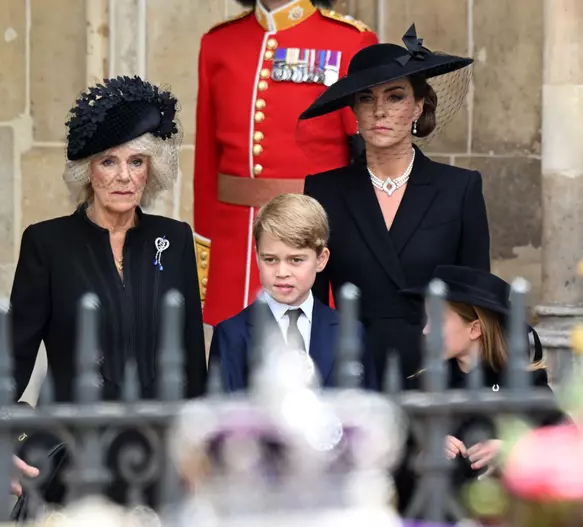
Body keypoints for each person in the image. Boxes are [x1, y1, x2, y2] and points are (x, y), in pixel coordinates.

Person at [8, 76, 207, 511]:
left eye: (137, 162)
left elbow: (192, 360)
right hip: (71, 456)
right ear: (87, 170)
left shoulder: (173, 239)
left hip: (159, 457)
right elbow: (13, 357)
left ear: (153, 168)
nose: (123, 177)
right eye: (108, 162)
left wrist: (199, 451)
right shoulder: (46, 243)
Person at [300, 25, 491, 387]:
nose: (379, 111)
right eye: (367, 99)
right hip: (352, 375)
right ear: (354, 110)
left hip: (437, 376)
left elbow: (477, 307)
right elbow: (314, 306)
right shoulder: (324, 190)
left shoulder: (460, 188)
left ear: (418, 106)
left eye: (395, 97)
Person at [194, 0, 379, 327]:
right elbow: (207, 163)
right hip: (236, 249)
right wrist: (206, 250)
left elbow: (366, 161)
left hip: (312, 238)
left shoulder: (350, 41)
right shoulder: (218, 43)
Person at [395, 265, 565, 517]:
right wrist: (423, 455)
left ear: (475, 329)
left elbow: (568, 454)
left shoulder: (527, 385)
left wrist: (512, 450)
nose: (426, 330)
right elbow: (394, 473)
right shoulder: (422, 385)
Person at [210, 193, 377, 391]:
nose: (282, 273)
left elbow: (367, 413)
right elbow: (224, 414)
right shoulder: (231, 334)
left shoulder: (350, 332)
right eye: (270, 259)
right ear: (256, 256)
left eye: (296, 260)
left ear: (321, 259)